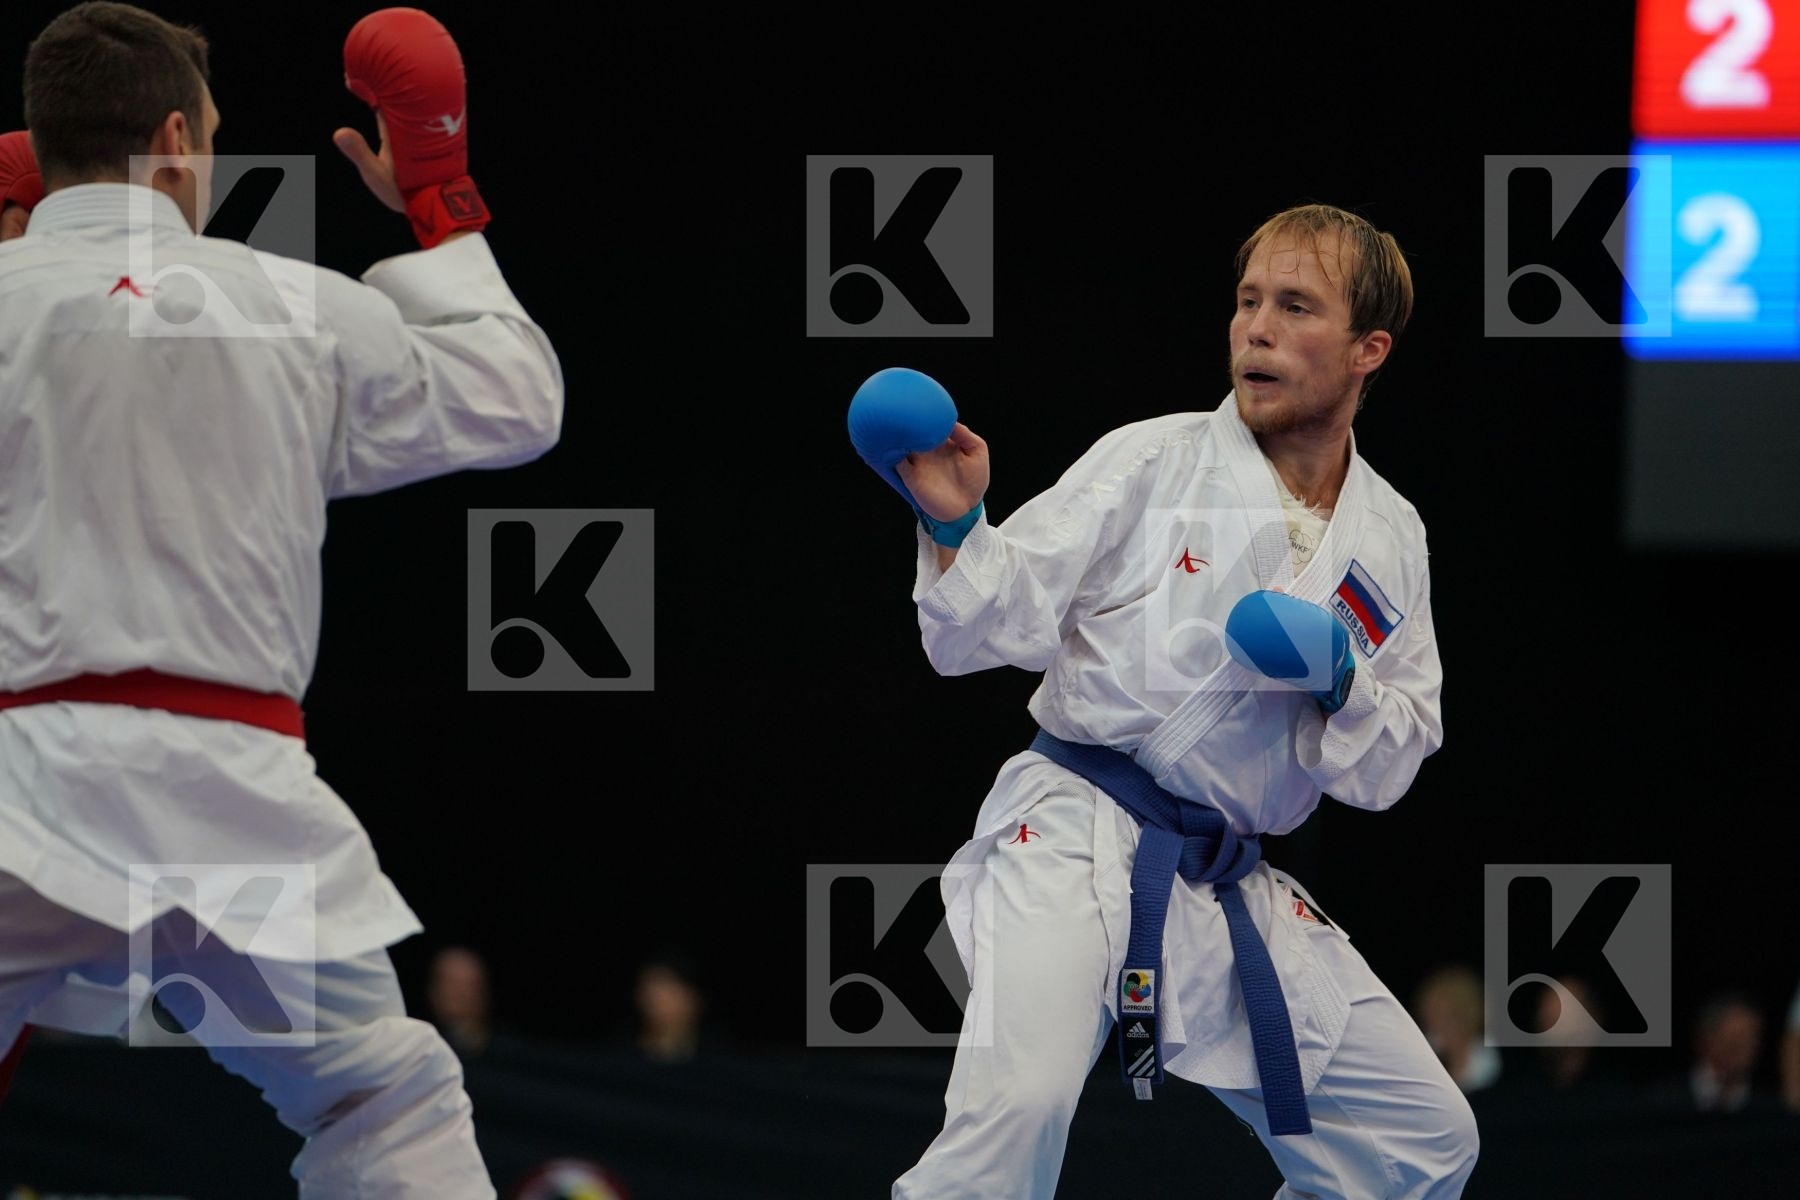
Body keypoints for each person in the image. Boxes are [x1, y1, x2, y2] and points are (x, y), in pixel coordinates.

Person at [0, 4, 562, 1195]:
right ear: (174, 140)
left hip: (22, 798)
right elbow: (517, 400)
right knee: (380, 1101)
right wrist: (436, 192)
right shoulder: (292, 305)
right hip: (238, 813)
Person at [875, 203, 1477, 1198]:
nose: (1258, 328)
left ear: (1369, 349)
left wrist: (1344, 680)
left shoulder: (1392, 535)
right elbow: (990, 625)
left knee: (1424, 1137)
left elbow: (1394, 761)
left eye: (1296, 306)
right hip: (1073, 835)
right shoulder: (1154, 460)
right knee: (1017, 1110)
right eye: (1248, 301)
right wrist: (957, 526)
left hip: (1226, 875)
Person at [1412, 965, 1500, 1094]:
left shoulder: (1496, 1062)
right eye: (1431, 1018)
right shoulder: (1419, 1056)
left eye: (1447, 1018)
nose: (1437, 1028)